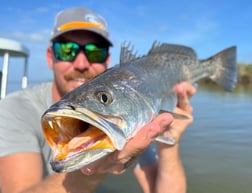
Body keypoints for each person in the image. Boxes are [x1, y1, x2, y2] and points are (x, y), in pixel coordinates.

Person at [0, 7, 196, 193]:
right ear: (51, 57)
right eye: (67, 50)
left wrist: (169, 142)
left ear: (108, 59)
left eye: (95, 51)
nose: (82, 63)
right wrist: (95, 171)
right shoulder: (14, 109)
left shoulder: (128, 122)